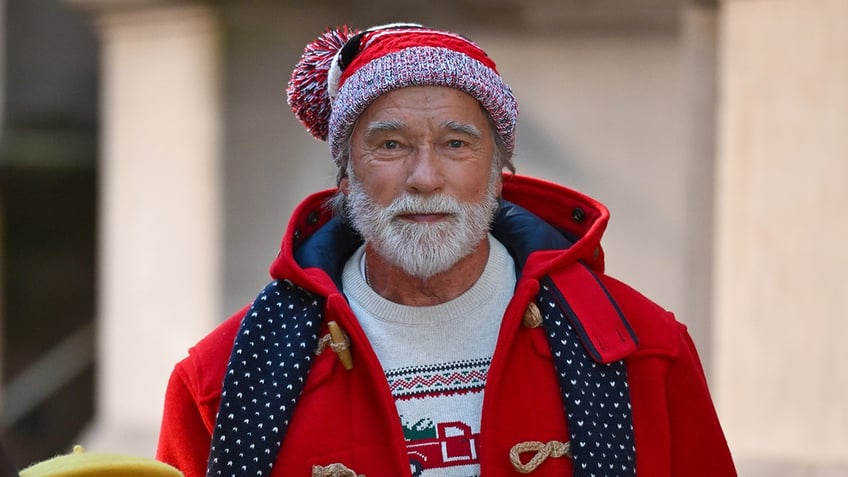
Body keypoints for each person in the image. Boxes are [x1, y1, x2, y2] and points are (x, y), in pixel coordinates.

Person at [156, 23, 736, 477]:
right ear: (345, 175)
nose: (425, 177)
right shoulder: (225, 379)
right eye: (391, 144)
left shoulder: (642, 352)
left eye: (456, 143)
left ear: (499, 171)